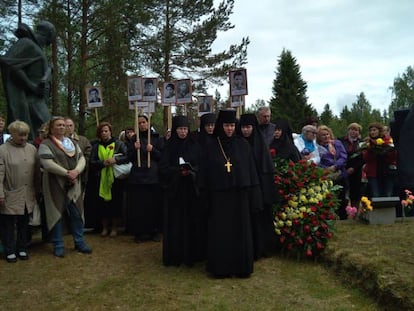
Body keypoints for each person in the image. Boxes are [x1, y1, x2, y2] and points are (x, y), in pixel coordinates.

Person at [200, 109, 261, 278]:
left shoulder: (243, 145)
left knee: (240, 231)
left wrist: (252, 194)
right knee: (220, 232)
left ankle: (241, 267)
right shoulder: (211, 146)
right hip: (219, 197)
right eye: (226, 125)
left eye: (232, 125)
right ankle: (220, 268)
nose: (229, 129)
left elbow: (250, 171)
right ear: (221, 126)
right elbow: (204, 172)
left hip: (238, 196)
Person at [38, 116, 91, 257]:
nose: (62, 127)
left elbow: (82, 158)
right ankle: (58, 244)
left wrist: (76, 172)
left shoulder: (72, 143)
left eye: (63, 125)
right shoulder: (46, 144)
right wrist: (66, 173)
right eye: (58, 125)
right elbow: (47, 163)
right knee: (56, 214)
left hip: (74, 184)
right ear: (51, 128)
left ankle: (79, 242)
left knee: (76, 213)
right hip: (54, 184)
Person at [0, 21, 55, 141]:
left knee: (46, 134)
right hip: (31, 101)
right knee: (49, 132)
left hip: (39, 100)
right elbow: (8, 63)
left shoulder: (37, 48)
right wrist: (32, 87)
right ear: (50, 34)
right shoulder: (27, 43)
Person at [159, 115, 202, 266]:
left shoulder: (194, 145)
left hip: (190, 190)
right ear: (175, 130)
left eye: (185, 129)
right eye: (180, 129)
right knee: (175, 224)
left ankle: (191, 254)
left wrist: (191, 172)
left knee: (190, 223)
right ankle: (175, 255)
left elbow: (199, 165)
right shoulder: (169, 147)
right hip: (175, 192)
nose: (183, 132)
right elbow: (163, 168)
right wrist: (178, 172)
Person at [0, 121, 40, 262]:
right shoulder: (3, 150)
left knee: (24, 223)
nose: (23, 138)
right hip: (10, 192)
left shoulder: (32, 149)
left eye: (26, 135)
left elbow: (36, 173)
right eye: (20, 135)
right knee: (8, 225)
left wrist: (37, 190)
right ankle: (9, 250)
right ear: (12, 134)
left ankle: (22, 248)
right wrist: (0, 193)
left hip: (28, 193)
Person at [238, 113, 276, 259]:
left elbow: (265, 169)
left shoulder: (260, 145)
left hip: (258, 188)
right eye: (243, 127)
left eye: (248, 127)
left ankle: (261, 247)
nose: (245, 131)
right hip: (243, 186)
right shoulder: (238, 143)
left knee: (259, 219)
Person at [125, 115, 164, 243]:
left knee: (153, 205)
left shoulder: (156, 138)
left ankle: (155, 231)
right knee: (138, 207)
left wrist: (152, 150)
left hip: (152, 176)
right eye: (139, 123)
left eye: (144, 122)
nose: (142, 125)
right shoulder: (134, 139)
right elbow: (128, 158)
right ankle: (139, 232)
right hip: (137, 177)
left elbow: (162, 157)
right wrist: (134, 149)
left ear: (148, 123)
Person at [89, 122, 129, 237]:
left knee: (115, 204)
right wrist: (102, 163)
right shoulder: (96, 146)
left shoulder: (118, 144)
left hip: (115, 179)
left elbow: (127, 156)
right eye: (102, 131)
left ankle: (115, 227)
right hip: (101, 179)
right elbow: (92, 162)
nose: (104, 133)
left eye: (106, 131)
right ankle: (105, 227)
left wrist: (115, 160)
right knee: (102, 204)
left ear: (110, 131)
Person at [316, 125, 348, 219]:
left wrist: (336, 166)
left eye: (327, 134)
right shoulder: (317, 147)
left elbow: (343, 156)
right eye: (323, 135)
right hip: (326, 174)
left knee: (341, 196)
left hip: (340, 173)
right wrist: (326, 169)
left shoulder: (336, 143)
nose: (326, 136)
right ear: (319, 137)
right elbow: (318, 160)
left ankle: (342, 216)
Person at [362, 122, 397, 197]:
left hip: (387, 172)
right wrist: (370, 149)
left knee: (388, 195)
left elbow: (393, 157)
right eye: (371, 130)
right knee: (376, 195)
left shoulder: (388, 141)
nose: (372, 132)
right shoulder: (367, 142)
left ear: (379, 131)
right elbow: (365, 158)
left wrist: (385, 151)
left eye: (374, 130)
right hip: (373, 173)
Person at [339, 123, 364, 208]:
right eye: (351, 129)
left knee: (356, 192)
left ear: (359, 132)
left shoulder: (361, 143)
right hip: (343, 168)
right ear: (348, 130)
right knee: (342, 191)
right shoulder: (341, 140)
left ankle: (355, 211)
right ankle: (343, 212)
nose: (353, 131)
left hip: (356, 170)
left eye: (355, 130)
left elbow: (363, 158)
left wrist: (354, 168)